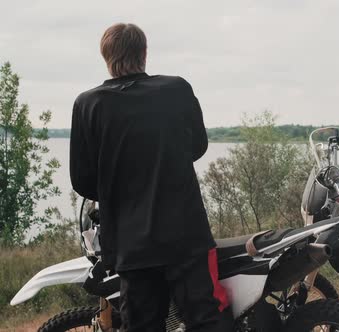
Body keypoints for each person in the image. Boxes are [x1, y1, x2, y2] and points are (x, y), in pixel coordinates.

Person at [70, 23, 233, 332]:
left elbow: (82, 181)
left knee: (142, 325)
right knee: (207, 319)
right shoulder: (176, 89)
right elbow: (197, 146)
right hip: (186, 235)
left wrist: (116, 186)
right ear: (144, 53)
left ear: (105, 56)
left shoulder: (87, 105)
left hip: (131, 244)